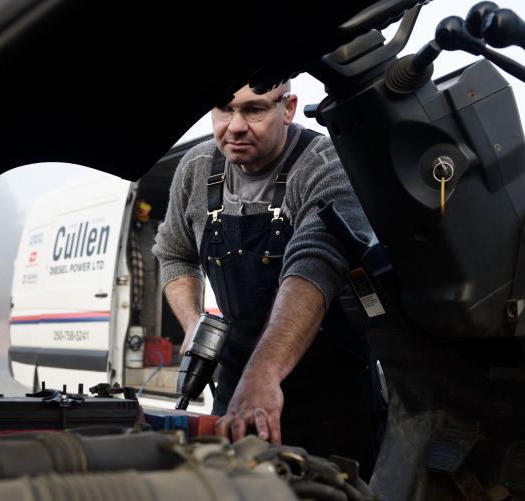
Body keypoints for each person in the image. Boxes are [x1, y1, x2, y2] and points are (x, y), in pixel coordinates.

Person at [153, 81, 383, 479]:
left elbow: (316, 259)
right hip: (238, 388)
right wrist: (192, 324)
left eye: (254, 110)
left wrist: (266, 373)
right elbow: (174, 253)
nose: (235, 126)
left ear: (288, 108)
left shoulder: (326, 164)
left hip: (331, 398)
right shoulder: (196, 170)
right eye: (225, 109)